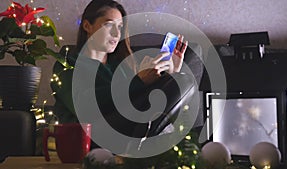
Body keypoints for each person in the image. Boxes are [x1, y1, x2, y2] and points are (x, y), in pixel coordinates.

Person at [51, 0, 189, 139]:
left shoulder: (121, 66)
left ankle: (149, 143)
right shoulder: (67, 62)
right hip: (89, 136)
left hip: (130, 129)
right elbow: (86, 107)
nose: (117, 33)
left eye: (120, 27)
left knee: (182, 82)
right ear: (87, 26)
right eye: (109, 25)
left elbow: (141, 104)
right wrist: (138, 82)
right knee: (181, 82)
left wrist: (171, 74)